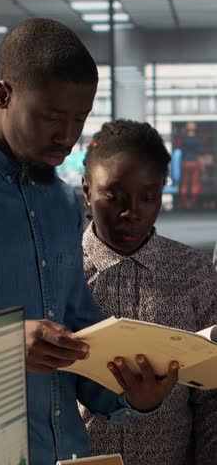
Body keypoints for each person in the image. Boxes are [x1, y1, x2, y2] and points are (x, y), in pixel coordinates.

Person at [0, 20, 178, 465]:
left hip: (67, 453)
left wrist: (133, 393)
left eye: (80, 118)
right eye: (52, 117)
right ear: (3, 96)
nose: (68, 136)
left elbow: (77, 331)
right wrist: (3, 345)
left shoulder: (59, 200)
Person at [81, 119, 217, 465]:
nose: (132, 213)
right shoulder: (60, 272)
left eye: (149, 197)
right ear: (86, 190)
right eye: (114, 197)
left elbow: (211, 399)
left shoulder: (194, 272)